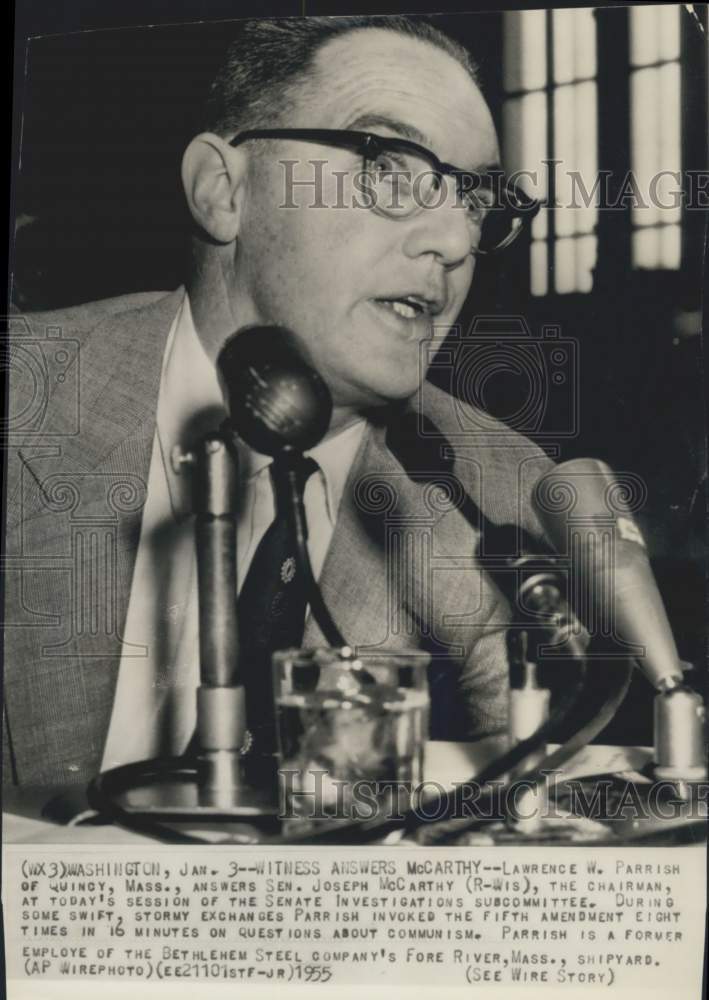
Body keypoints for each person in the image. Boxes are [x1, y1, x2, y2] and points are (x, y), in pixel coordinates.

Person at [3, 15, 552, 788]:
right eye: (389, 167)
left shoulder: (503, 493)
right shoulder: (22, 395)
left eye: (476, 197)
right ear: (223, 191)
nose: (455, 241)